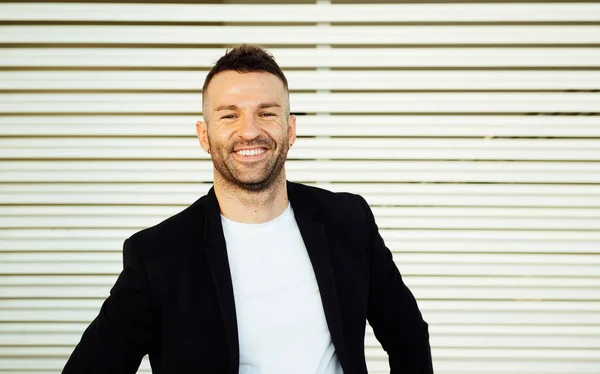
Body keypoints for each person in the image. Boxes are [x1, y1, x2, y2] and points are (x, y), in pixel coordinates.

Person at [62, 44, 433, 374]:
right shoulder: (158, 255)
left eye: (267, 113)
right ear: (204, 135)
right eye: (229, 115)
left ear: (291, 130)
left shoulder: (348, 220)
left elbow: (407, 335)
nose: (250, 131)